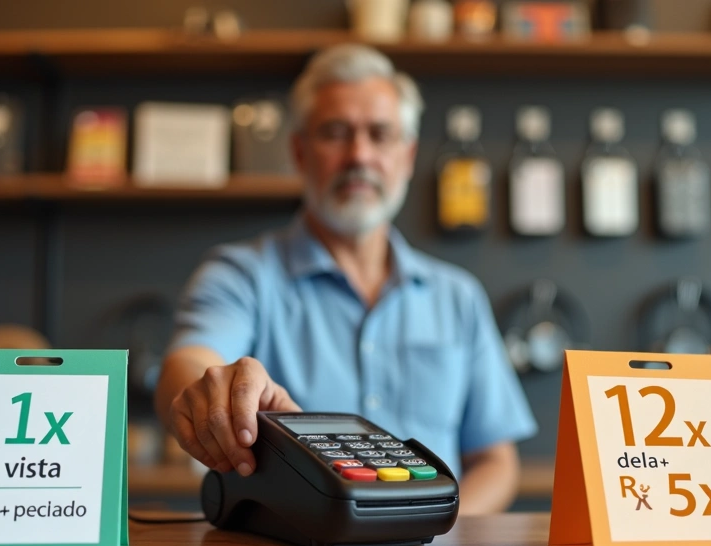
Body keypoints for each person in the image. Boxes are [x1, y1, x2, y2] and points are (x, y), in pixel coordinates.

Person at [155, 44, 536, 515]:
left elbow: (497, 460)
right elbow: (188, 364)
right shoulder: (240, 275)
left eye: (380, 134)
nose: (359, 155)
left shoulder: (457, 296)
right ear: (298, 151)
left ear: (408, 155)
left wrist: (435, 531)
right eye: (335, 133)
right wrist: (208, 391)